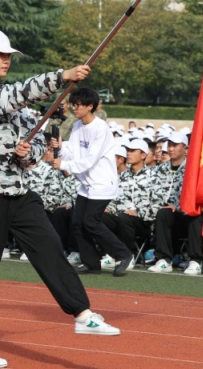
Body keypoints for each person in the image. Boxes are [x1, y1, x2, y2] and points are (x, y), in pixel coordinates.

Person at [0, 29, 117, 368]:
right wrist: (62, 76)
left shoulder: (19, 112)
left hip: (18, 192)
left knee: (49, 245)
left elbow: (36, 150)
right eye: (0, 54)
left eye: (9, 55)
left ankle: (81, 313)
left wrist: (26, 153)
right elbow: (14, 96)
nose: (6, 60)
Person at [54, 87, 131, 277]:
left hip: (102, 184)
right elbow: (73, 151)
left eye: (78, 105)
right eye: (73, 104)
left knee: (91, 222)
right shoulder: (78, 125)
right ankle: (91, 263)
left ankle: (122, 254)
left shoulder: (100, 129)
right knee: (77, 224)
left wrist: (63, 164)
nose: (74, 108)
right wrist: (61, 147)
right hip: (86, 185)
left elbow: (89, 160)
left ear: (90, 106)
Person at [147, 132, 189, 274]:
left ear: (185, 148)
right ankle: (164, 260)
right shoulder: (160, 169)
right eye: (169, 145)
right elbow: (153, 194)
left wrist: (178, 207)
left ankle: (191, 258)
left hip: (184, 216)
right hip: (162, 215)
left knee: (166, 213)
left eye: (175, 145)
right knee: (163, 213)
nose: (170, 148)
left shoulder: (191, 170)